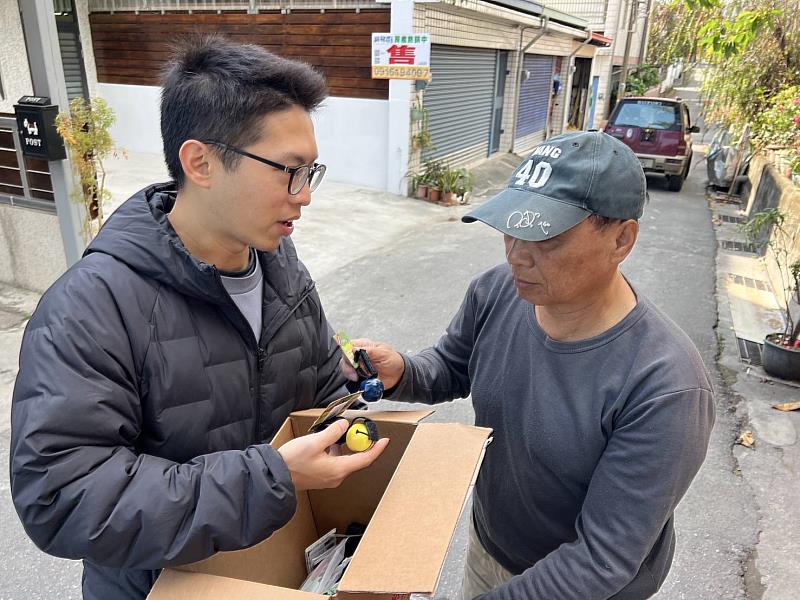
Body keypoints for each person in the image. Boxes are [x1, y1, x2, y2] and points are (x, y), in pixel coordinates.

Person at [10, 37, 387, 600]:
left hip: (275, 571)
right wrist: (272, 478)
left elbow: (321, 388)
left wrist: (348, 417)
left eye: (312, 171)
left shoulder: (281, 267)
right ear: (201, 162)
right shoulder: (91, 307)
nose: (304, 195)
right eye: (288, 171)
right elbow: (62, 498)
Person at [352, 131, 715, 599]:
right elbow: (452, 365)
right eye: (512, 228)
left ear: (622, 238)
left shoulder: (665, 385)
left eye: (548, 236)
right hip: (490, 549)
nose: (518, 255)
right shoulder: (497, 291)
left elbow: (601, 559)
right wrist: (401, 370)